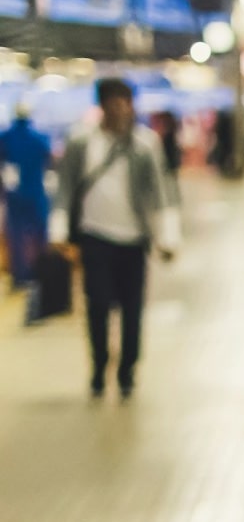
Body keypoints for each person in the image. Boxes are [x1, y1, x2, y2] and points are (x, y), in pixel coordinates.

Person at [50, 78, 181, 401]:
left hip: (134, 239)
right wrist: (58, 230)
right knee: (97, 305)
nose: (122, 109)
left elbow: (161, 189)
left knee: (132, 309)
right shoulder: (81, 141)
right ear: (103, 106)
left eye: (127, 102)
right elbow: (65, 187)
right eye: (115, 102)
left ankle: (127, 370)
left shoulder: (144, 143)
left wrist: (168, 236)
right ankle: (98, 365)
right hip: (94, 236)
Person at [1, 104, 52, 294]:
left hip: (15, 194)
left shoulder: (6, 138)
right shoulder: (39, 138)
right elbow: (50, 159)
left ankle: (20, 276)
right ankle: (40, 274)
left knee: (16, 237)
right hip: (36, 192)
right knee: (39, 235)